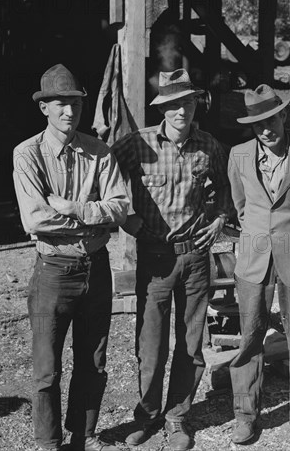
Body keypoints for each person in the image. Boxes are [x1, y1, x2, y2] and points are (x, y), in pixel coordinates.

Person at [111, 69, 232, 450]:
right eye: (174, 104)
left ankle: (178, 418)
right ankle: (146, 417)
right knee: (151, 345)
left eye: (188, 101)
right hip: (156, 259)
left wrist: (221, 220)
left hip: (196, 259)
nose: (182, 110)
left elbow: (230, 188)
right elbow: (106, 180)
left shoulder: (210, 145)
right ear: (162, 107)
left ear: (197, 104)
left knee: (192, 343)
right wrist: (130, 223)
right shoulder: (137, 144)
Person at [13, 64, 129, 451]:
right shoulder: (27, 154)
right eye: (60, 104)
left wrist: (75, 208)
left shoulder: (99, 151)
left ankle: (84, 434)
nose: (69, 112)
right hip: (54, 271)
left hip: (96, 270)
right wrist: (92, 220)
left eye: (75, 104)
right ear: (43, 107)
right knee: (47, 367)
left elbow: (120, 209)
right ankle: (48, 441)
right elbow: (35, 218)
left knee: (93, 360)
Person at [227, 85, 290, 449]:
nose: (265, 130)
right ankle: (245, 416)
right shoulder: (238, 155)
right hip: (253, 260)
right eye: (257, 124)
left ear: (284, 115)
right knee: (250, 339)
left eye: (270, 120)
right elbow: (240, 206)